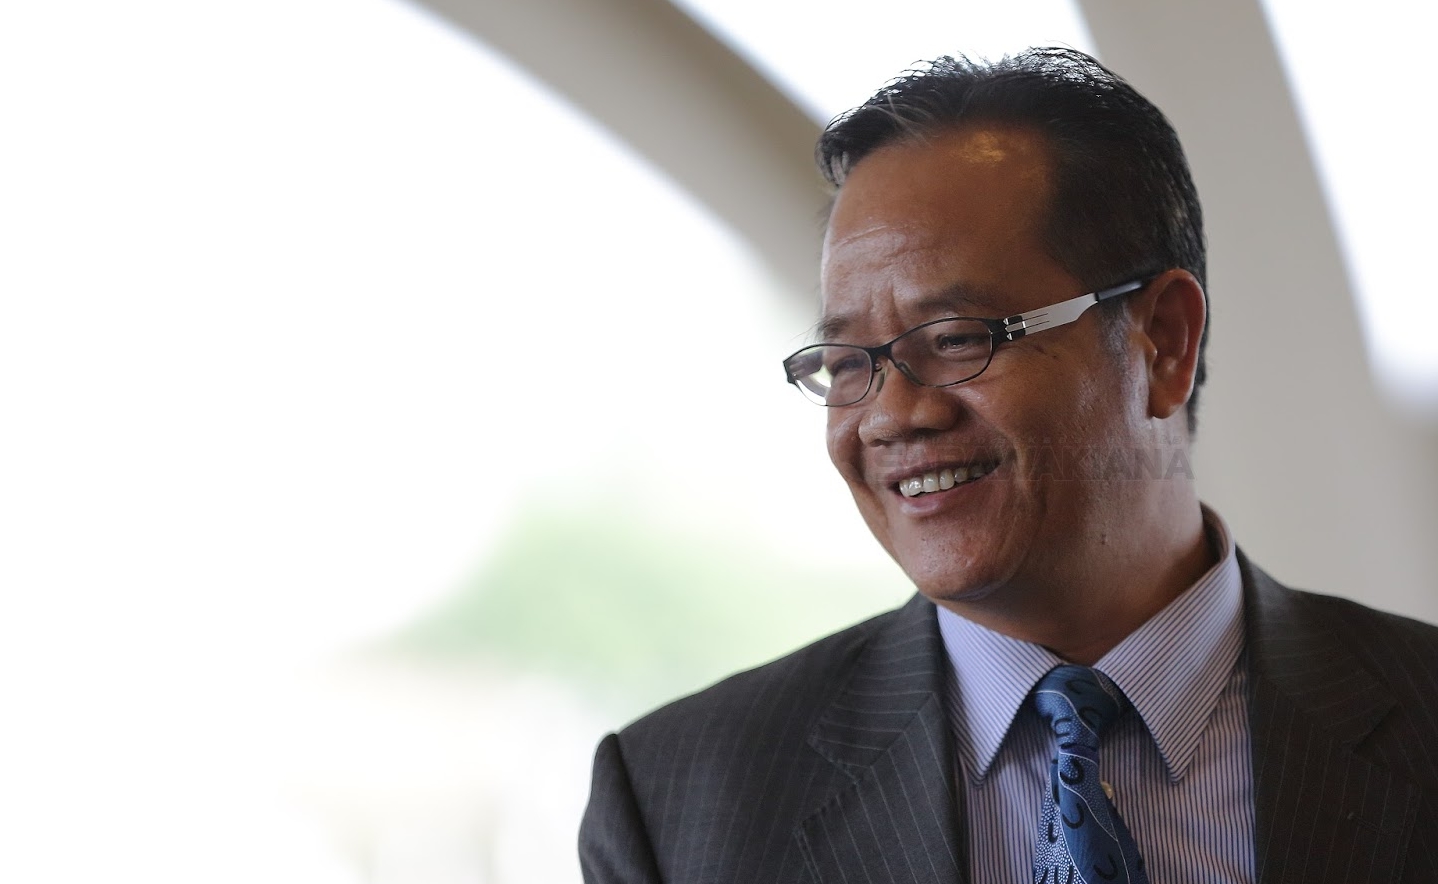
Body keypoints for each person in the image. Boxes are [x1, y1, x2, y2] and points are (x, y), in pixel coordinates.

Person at [578, 48, 1438, 884]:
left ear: (1164, 341)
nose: (894, 415)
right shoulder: (677, 804)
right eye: (845, 364)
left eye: (958, 339)